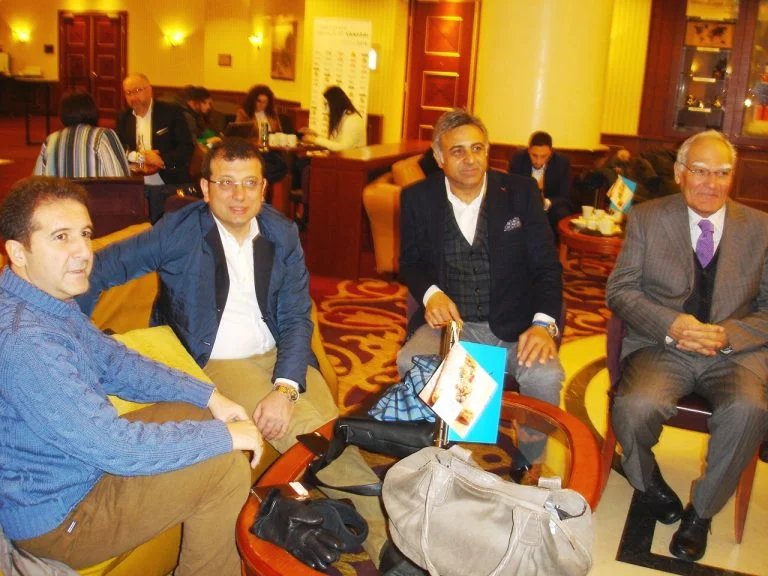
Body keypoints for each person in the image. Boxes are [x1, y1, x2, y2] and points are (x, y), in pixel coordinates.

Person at [76, 138, 390, 569]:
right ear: (206, 188)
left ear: (263, 188)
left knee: (329, 429)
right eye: (226, 183)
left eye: (249, 183)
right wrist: (74, 338)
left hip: (278, 352)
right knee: (314, 436)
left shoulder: (281, 232)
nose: (239, 195)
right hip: (219, 362)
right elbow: (98, 269)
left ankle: (334, 509)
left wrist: (286, 386)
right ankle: (388, 541)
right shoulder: (179, 232)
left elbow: (297, 316)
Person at [0, 176, 263, 575]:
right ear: (18, 252)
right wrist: (226, 437)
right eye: (61, 237)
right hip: (60, 519)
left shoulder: (45, 302)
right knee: (223, 467)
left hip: (81, 471)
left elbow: (114, 363)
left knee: (196, 412)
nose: (83, 251)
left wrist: (209, 396)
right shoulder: (26, 341)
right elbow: (114, 447)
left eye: (85, 234)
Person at [606, 130, 768, 562]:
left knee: (750, 410)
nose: (711, 183)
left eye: (722, 173)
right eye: (700, 171)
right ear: (680, 173)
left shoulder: (761, 227)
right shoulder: (647, 218)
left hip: (733, 354)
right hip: (663, 346)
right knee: (635, 407)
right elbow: (620, 290)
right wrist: (671, 324)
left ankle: (702, 512)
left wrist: (729, 335)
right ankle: (647, 481)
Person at [397, 109, 564, 465]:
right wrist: (431, 293)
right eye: (457, 151)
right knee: (411, 360)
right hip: (454, 325)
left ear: (487, 151)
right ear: (439, 158)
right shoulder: (417, 198)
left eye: (477, 148)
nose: (470, 160)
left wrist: (542, 324)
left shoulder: (521, 192)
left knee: (546, 376)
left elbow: (547, 267)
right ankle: (456, 456)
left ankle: (530, 461)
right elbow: (410, 261)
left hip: (518, 324)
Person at [116, 73, 195, 223]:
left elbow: (186, 147)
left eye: (137, 90)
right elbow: (119, 149)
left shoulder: (170, 112)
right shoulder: (123, 117)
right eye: (128, 93)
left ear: (149, 90)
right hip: (136, 183)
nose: (133, 97)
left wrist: (161, 160)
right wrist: (139, 157)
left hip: (168, 183)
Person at [33, 91, 130, 178]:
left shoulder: (51, 139)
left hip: (60, 192)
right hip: (93, 192)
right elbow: (120, 178)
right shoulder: (103, 135)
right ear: (93, 110)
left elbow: (37, 180)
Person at [508, 131, 572, 237]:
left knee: (562, 212)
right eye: (534, 155)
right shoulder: (518, 159)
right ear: (529, 150)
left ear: (550, 153)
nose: (538, 161)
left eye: (543, 156)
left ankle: (552, 244)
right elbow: (511, 189)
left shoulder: (562, 163)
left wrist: (546, 203)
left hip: (550, 208)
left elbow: (564, 196)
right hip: (524, 206)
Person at [300, 86, 366, 151]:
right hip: (342, 157)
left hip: (350, 157)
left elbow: (344, 148)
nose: (325, 109)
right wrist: (315, 135)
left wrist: (315, 140)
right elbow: (334, 143)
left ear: (334, 103)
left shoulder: (352, 120)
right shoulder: (343, 117)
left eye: (326, 104)